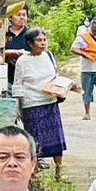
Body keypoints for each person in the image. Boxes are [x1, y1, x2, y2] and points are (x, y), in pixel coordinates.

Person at [14, 27, 76, 175]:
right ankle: (33, 173)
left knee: (56, 138)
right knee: (34, 140)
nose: (43, 43)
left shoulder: (49, 56)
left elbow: (56, 76)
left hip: (50, 102)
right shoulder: (22, 61)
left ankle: (59, 172)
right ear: (30, 43)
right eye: (39, 40)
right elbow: (17, 84)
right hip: (32, 105)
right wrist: (17, 107)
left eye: (44, 40)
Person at [3, 7, 30, 96]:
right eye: (18, 15)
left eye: (24, 15)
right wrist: (9, 53)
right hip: (7, 80)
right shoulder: (3, 34)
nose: (22, 17)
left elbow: (40, 54)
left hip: (27, 81)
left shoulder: (31, 35)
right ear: (10, 17)